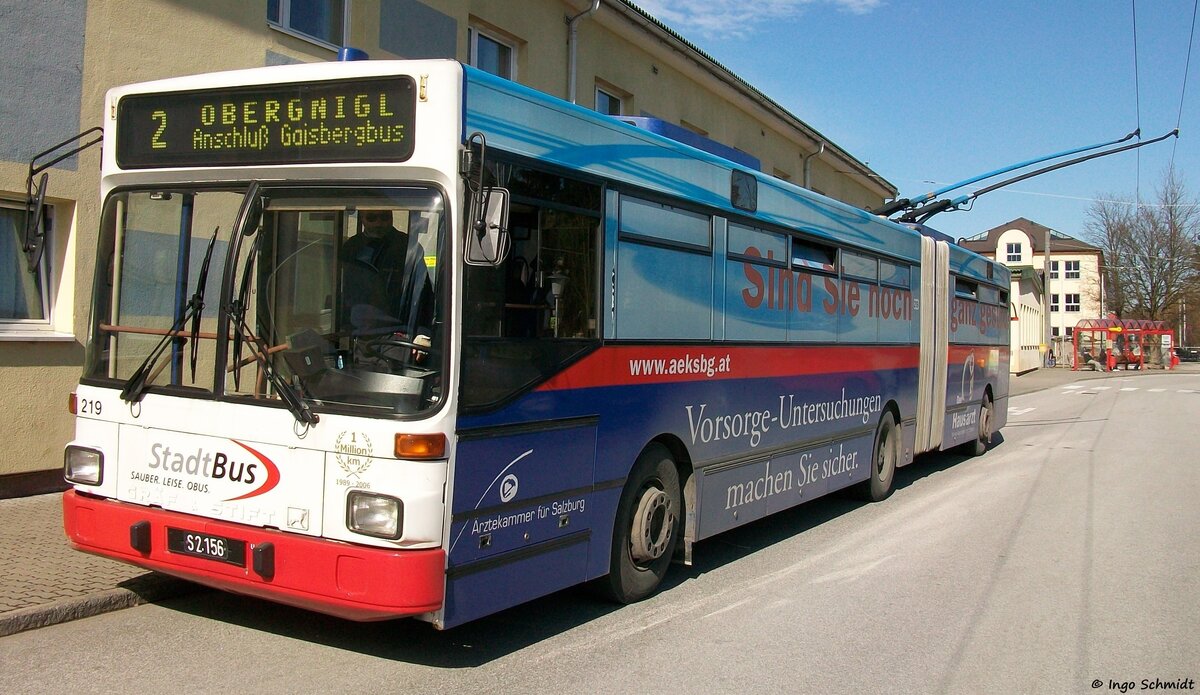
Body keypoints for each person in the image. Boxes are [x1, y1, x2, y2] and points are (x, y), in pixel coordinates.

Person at [341, 209, 434, 362]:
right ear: (362, 218)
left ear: (391, 216)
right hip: (358, 336)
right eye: (372, 217)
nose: (378, 223)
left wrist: (423, 332)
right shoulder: (351, 248)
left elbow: (424, 294)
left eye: (384, 217)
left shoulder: (407, 246)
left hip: (397, 336)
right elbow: (344, 292)